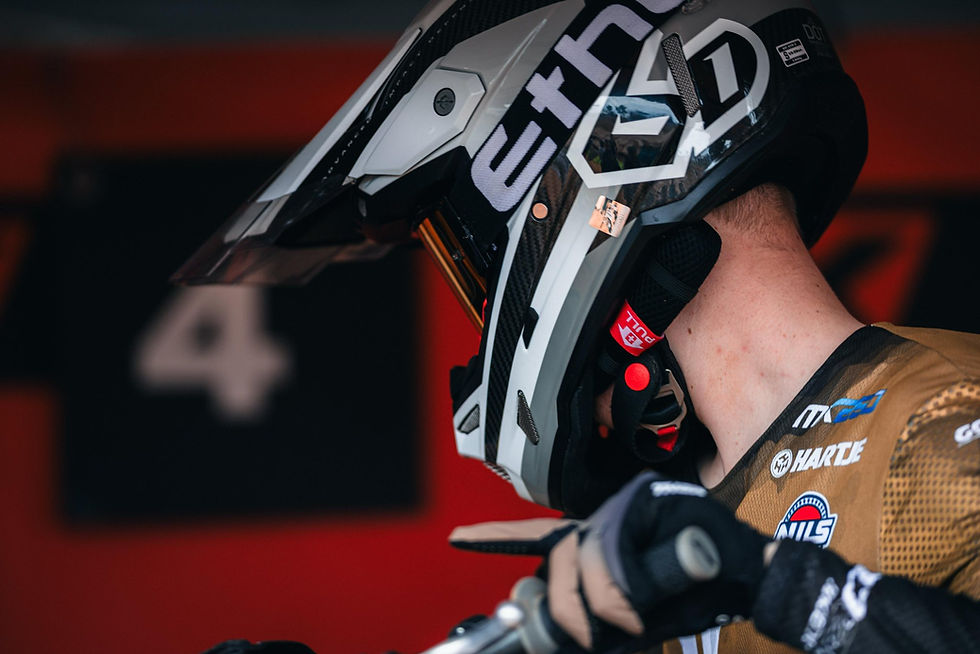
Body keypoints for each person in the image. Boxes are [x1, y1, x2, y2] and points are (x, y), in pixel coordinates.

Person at [176, 1, 979, 652]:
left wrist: (773, 584)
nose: (488, 315)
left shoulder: (948, 414)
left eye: (479, 264)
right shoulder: (685, 528)